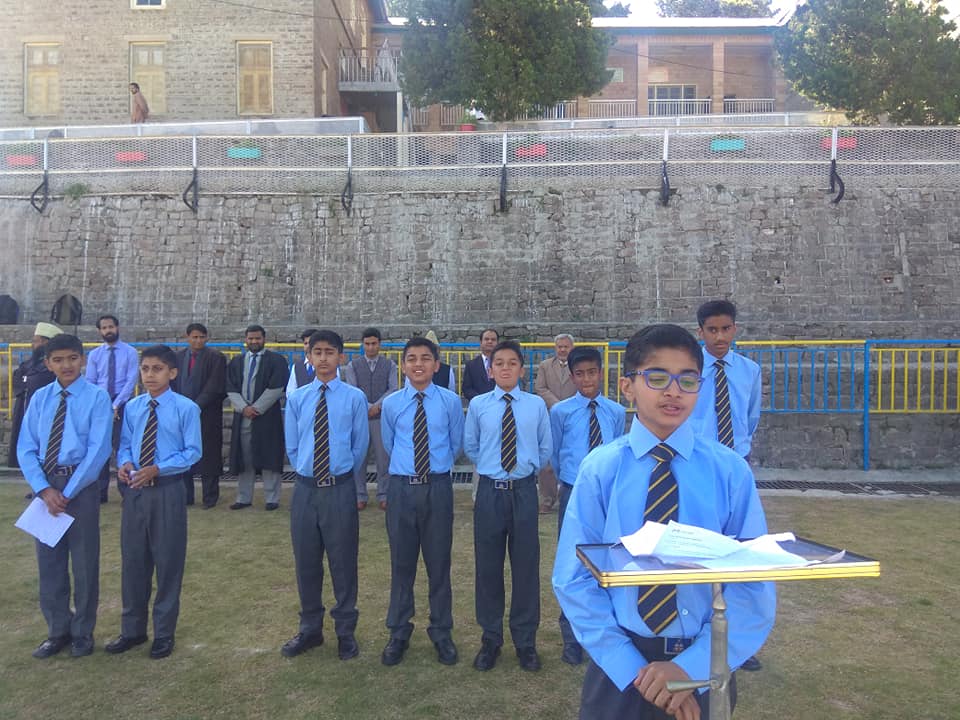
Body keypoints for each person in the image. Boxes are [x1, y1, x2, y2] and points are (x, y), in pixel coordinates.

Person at [552, 324, 775, 720]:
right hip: (619, 669)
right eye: (657, 378)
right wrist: (631, 668)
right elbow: (575, 577)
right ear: (627, 386)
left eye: (687, 380)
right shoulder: (601, 470)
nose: (674, 391)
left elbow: (753, 582)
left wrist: (690, 669)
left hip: (704, 667)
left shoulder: (729, 472)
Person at [17, 333, 113, 658]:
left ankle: (83, 632)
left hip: (80, 489)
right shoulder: (40, 398)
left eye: (72, 358)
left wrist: (67, 493)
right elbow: (26, 446)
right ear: (48, 363)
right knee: (49, 563)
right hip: (46, 487)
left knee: (84, 563)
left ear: (82, 359)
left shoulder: (97, 397)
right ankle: (57, 630)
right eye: (57, 360)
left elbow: (98, 450)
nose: (66, 365)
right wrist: (44, 490)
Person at [106, 345, 201, 660]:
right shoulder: (133, 407)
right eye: (145, 369)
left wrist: (159, 468)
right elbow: (125, 444)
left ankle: (163, 633)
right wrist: (125, 463)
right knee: (133, 562)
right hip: (135, 492)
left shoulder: (186, 408)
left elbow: (192, 452)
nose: (150, 375)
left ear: (172, 372)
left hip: (167, 491)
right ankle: (132, 630)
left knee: (168, 562)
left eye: (157, 369)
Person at [281, 330, 368, 661]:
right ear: (309, 356)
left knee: (343, 562)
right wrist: (309, 472)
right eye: (317, 352)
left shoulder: (354, 398)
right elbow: (293, 446)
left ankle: (345, 631)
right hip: (305, 490)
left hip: (339, 489)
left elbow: (359, 446)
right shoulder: (298, 399)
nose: (323, 358)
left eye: (330, 352)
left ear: (341, 357)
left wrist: (338, 475)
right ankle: (310, 629)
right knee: (306, 562)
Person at [464, 340, 551, 673]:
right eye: (498, 363)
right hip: (490, 491)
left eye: (512, 363)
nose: (505, 368)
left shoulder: (535, 405)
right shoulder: (479, 405)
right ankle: (490, 639)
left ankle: (525, 642)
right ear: (490, 370)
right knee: (488, 567)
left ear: (521, 369)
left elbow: (544, 447)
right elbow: (472, 446)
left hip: (524, 492)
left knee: (526, 567)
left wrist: (522, 471)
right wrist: (494, 468)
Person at [379, 337, 464, 667]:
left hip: (437, 487)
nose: (418, 364)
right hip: (402, 488)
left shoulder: (449, 402)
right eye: (412, 358)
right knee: (402, 564)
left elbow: (455, 444)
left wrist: (434, 469)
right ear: (403, 365)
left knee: (438, 564)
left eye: (426, 358)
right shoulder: (392, 404)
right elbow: (389, 444)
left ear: (436, 365)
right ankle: (399, 632)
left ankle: (441, 632)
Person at [690, 299, 764, 672]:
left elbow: (751, 416)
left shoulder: (749, 371)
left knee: (738, 550)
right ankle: (697, 635)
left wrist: (737, 456)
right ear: (700, 332)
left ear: (735, 329)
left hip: (736, 466)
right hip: (699, 467)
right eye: (712, 330)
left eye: (726, 329)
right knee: (700, 549)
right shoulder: (691, 371)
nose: (720, 337)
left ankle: (737, 643)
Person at [549, 346, 625, 667]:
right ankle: (571, 636)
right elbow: (555, 453)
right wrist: (568, 482)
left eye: (592, 372)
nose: (586, 379)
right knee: (572, 562)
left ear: (601, 373)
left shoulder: (615, 412)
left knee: (608, 559)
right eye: (579, 374)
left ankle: (604, 634)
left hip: (607, 495)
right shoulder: (561, 412)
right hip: (573, 492)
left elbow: (617, 448)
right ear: (571, 376)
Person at [226, 325, 288, 511]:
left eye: (257, 338)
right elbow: (230, 386)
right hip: (243, 417)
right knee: (245, 458)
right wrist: (244, 408)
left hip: (267, 417)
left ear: (264, 339)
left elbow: (277, 387)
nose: (254, 342)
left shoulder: (276, 361)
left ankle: (271, 498)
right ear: (246, 340)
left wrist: (257, 408)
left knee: (269, 456)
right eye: (251, 338)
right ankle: (244, 498)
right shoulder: (237, 362)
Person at [85, 314, 139, 503]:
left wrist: (116, 405)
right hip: (101, 404)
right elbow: (90, 381)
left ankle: (127, 491)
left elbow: (131, 381)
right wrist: (103, 406)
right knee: (100, 447)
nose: (108, 330)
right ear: (99, 331)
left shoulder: (130, 352)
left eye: (111, 327)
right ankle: (100, 493)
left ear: (117, 328)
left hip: (123, 404)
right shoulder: (94, 355)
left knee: (123, 446)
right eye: (104, 328)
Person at [173, 323, 227, 508]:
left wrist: (195, 406)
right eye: (194, 337)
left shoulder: (216, 358)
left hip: (207, 414)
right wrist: (181, 408)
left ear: (207, 338)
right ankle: (186, 496)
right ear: (187, 337)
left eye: (201, 337)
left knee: (209, 456)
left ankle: (210, 497)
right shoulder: (178, 358)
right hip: (182, 415)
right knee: (183, 453)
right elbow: (173, 383)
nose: (198, 341)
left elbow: (215, 385)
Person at [344, 327, 398, 510]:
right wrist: (367, 407)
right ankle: (360, 494)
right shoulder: (353, 365)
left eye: (374, 343)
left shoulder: (390, 365)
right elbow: (352, 389)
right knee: (359, 458)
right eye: (367, 344)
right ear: (363, 344)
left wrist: (377, 406)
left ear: (379, 344)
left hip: (382, 418)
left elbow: (393, 388)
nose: (371, 347)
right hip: (360, 418)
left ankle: (384, 494)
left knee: (384, 458)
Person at [8, 321, 61, 470]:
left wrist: (28, 382)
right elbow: (18, 378)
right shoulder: (28, 364)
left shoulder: (51, 366)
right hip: (23, 406)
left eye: (36, 341)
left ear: (45, 342)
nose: (33, 344)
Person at [534, 333, 577, 513]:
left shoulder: (578, 366)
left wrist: (568, 407)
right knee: (547, 460)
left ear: (572, 348)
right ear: (555, 348)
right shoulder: (545, 366)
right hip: (550, 416)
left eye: (566, 346)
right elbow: (540, 388)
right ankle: (547, 499)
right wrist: (557, 405)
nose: (562, 350)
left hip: (574, 416)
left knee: (573, 455)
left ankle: (571, 498)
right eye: (560, 346)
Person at [461, 328, 498, 401]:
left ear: (497, 343)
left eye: (493, 339)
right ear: (481, 342)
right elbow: (466, 388)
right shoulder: (471, 365)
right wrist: (480, 400)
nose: (490, 341)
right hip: (479, 404)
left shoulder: (503, 365)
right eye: (486, 339)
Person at [286, 328, 320, 394]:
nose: (308, 346)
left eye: (311, 343)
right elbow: (290, 391)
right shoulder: (296, 366)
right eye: (305, 343)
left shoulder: (329, 366)